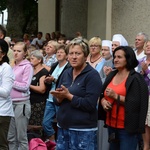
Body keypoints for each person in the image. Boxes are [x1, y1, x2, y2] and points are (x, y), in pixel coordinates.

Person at [50, 38, 102, 150]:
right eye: (71, 53)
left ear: (85, 55)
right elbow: (57, 99)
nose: (74, 57)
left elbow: (90, 104)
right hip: (63, 127)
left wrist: (68, 96)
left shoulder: (93, 75)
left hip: (83, 131)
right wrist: (58, 98)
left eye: (78, 53)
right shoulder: (66, 73)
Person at [98, 46, 149, 150]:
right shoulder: (112, 74)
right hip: (111, 126)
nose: (115, 60)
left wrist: (115, 96)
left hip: (127, 128)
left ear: (128, 58)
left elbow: (136, 103)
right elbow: (102, 94)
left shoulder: (135, 78)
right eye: (115, 57)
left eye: (119, 57)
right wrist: (103, 101)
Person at [7, 42, 33, 150]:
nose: (16, 53)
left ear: (25, 53)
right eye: (14, 50)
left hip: (21, 103)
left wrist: (10, 81)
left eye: (19, 51)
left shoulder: (27, 66)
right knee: (11, 136)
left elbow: (25, 86)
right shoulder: (12, 65)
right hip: (10, 103)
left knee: (21, 136)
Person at [42, 44, 70, 143]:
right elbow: (48, 77)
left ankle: (62, 142)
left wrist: (54, 79)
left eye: (61, 52)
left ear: (67, 55)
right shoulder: (54, 65)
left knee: (62, 123)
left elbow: (67, 83)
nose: (59, 54)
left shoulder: (69, 67)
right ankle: (53, 141)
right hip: (50, 98)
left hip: (60, 99)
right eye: (57, 52)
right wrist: (48, 80)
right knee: (45, 123)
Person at [28, 50, 49, 135]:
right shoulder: (31, 70)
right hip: (30, 102)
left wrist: (28, 85)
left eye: (33, 59)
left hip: (38, 104)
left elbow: (42, 89)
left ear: (39, 60)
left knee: (36, 126)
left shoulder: (43, 72)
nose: (30, 61)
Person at [0, 39, 14, 150]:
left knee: (2, 145)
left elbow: (5, 92)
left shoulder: (6, 68)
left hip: (2, 112)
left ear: (3, 53)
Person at [137, 40, 150, 150]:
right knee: (144, 122)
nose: (148, 47)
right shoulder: (140, 61)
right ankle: (146, 146)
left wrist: (146, 71)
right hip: (142, 95)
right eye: (147, 45)